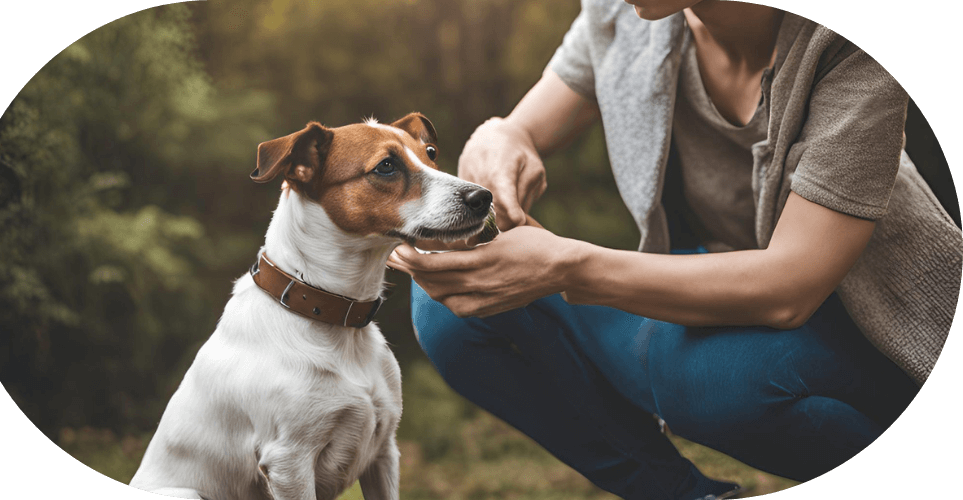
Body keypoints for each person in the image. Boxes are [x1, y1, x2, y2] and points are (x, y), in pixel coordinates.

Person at [386, 1, 962, 499]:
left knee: (712, 382)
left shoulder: (854, 46)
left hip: (867, 332)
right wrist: (498, 137)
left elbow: (792, 287)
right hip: (722, 296)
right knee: (450, 309)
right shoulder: (625, 15)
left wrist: (566, 264)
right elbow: (521, 129)